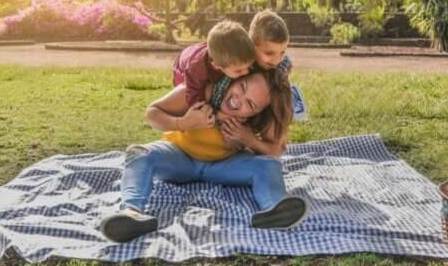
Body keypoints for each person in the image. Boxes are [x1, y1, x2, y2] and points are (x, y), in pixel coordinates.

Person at [100, 70, 308, 243]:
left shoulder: (254, 120)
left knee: (268, 164)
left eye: (250, 104)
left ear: (256, 112)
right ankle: (131, 213)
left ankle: (275, 210)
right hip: (179, 158)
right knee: (140, 153)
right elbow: (152, 113)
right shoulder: (199, 91)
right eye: (242, 87)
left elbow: (277, 151)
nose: (238, 100)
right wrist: (183, 123)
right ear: (235, 77)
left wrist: (249, 140)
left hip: (222, 166)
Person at [173, 20, 255, 110]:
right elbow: (193, 95)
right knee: (186, 95)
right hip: (182, 69)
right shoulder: (197, 69)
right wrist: (202, 110)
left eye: (249, 66)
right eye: (238, 70)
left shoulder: (228, 58)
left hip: (201, 50)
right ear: (217, 66)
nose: (246, 72)